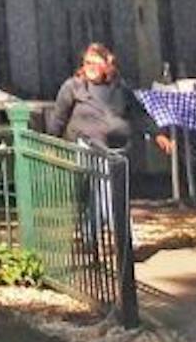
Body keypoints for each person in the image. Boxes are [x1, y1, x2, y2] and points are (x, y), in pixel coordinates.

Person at [47, 44, 155, 252]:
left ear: (108, 65)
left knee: (100, 193)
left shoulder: (119, 88)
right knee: (107, 191)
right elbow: (58, 118)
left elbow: (138, 113)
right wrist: (52, 143)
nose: (91, 67)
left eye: (96, 63)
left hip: (116, 148)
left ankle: (89, 236)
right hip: (87, 145)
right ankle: (125, 239)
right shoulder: (73, 87)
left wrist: (158, 134)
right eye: (87, 63)